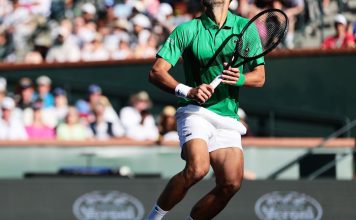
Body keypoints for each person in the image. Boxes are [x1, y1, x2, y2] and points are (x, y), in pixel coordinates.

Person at [146, 0, 265, 219]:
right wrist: (188, 91)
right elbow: (156, 72)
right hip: (195, 111)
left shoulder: (246, 29)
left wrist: (240, 78)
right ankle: (153, 218)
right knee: (198, 168)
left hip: (227, 115)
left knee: (231, 183)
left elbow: (259, 77)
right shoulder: (187, 30)